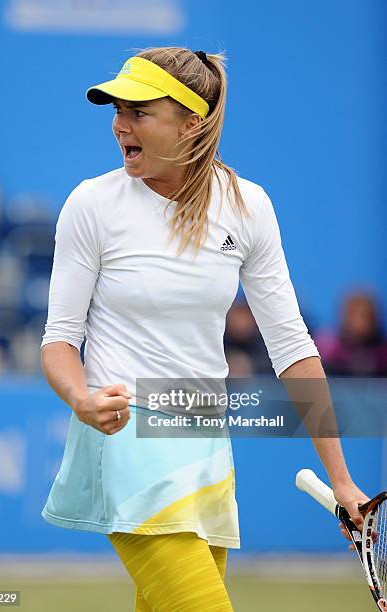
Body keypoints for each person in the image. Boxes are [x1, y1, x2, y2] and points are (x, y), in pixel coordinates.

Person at [40, 47, 369, 611]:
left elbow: (291, 346)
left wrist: (340, 478)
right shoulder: (91, 205)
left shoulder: (248, 207)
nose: (121, 124)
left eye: (140, 111)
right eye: (118, 110)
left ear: (191, 123)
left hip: (205, 444)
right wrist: (81, 397)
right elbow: (60, 339)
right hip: (126, 441)